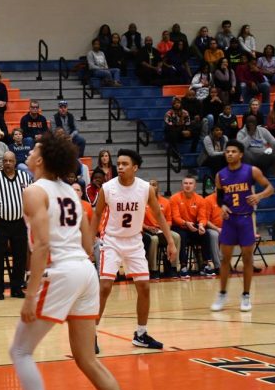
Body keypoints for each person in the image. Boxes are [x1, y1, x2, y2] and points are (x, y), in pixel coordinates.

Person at [9, 132, 154, 390]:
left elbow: (43, 244)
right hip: (85, 272)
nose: (30, 153)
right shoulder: (72, 194)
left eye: (34, 149)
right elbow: (89, 244)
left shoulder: (34, 190)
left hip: (61, 271)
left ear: (41, 159)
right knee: (86, 358)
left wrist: (31, 295)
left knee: (20, 350)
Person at [92, 149, 176, 350]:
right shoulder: (108, 188)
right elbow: (96, 216)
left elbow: (158, 214)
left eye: (125, 164)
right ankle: (90, 333)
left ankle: (141, 334)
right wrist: (88, 242)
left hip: (134, 242)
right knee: (104, 288)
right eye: (118, 163)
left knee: (144, 288)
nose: (120, 167)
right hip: (111, 241)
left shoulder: (145, 188)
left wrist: (170, 241)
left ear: (135, 168)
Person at [211, 141, 275, 312]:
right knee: (225, 259)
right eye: (227, 151)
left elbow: (270, 187)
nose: (229, 154)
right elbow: (219, 198)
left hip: (246, 219)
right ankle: (222, 293)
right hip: (229, 220)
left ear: (240, 154)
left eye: (233, 151)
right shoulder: (220, 175)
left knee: (247, 259)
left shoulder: (251, 170)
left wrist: (259, 196)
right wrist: (222, 206)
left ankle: (246, 295)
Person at [0, 151, 33, 300]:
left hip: (20, 222)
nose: (8, 163)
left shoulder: (25, 177)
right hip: (0, 223)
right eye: (5, 161)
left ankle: (16, 288)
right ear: (1, 162)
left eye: (10, 161)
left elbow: (30, 200)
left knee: (20, 256)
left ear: (15, 162)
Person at [170, 176, 215, 278]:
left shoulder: (200, 199)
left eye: (190, 183)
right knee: (182, 236)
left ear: (195, 186)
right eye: (185, 183)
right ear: (182, 185)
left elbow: (202, 217)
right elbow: (175, 217)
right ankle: (183, 266)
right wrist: (186, 223)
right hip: (179, 226)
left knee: (205, 234)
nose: (188, 185)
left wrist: (201, 225)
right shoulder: (174, 198)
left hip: (193, 225)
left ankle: (205, 264)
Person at [142, 178, 180, 279]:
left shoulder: (165, 202)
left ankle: (173, 267)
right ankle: (153, 269)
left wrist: (165, 229)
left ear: (158, 187)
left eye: (154, 185)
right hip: (147, 230)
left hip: (162, 230)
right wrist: (147, 227)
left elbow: (169, 221)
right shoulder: (142, 201)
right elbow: (138, 221)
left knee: (176, 236)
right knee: (154, 240)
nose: (152, 187)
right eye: (150, 185)